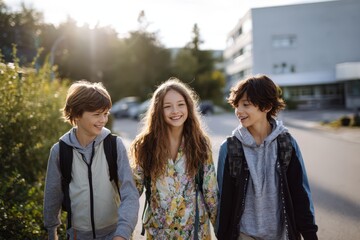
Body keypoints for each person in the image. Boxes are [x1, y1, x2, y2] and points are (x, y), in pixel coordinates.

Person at [216, 75, 318, 240]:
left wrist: (309, 234)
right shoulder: (229, 148)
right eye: (237, 105)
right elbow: (224, 200)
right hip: (243, 234)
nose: (238, 111)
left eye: (246, 105)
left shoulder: (287, 144)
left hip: (281, 234)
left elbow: (300, 193)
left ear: (267, 106)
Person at [43, 80, 139, 240]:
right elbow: (53, 195)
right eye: (96, 114)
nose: (103, 119)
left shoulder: (114, 145)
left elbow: (130, 193)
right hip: (77, 235)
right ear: (76, 114)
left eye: (106, 113)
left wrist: (122, 233)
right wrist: (51, 231)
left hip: (114, 233)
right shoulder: (60, 151)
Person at [130, 77, 218, 239]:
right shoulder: (145, 144)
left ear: (188, 107)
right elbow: (132, 191)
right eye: (167, 106)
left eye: (180, 104)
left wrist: (222, 231)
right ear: (158, 111)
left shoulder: (200, 143)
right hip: (159, 233)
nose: (175, 111)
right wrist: (123, 230)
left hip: (196, 232)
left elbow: (210, 192)